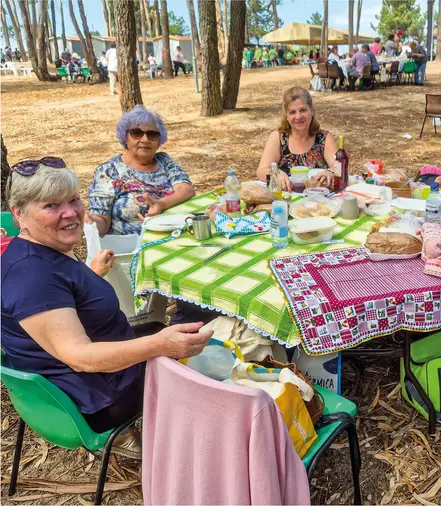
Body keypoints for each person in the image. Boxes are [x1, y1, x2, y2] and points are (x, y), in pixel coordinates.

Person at [2, 159, 214, 458]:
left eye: (74, 200)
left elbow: (62, 298)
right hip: (95, 396)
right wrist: (158, 346)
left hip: (86, 375)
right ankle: (188, 446)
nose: (71, 213)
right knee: (204, 363)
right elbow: (80, 358)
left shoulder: (40, 249)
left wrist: (91, 272)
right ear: (18, 213)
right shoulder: (32, 278)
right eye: (51, 206)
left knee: (162, 330)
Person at [88, 107, 194, 237]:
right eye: (136, 133)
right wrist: (89, 222)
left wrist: (161, 204)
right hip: (133, 248)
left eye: (152, 135)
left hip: (175, 237)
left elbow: (186, 189)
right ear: (125, 137)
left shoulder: (164, 161)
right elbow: (102, 221)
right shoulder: (109, 171)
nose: (145, 139)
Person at [256, 86, 338, 191]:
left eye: (303, 110)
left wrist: (330, 172)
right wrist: (275, 174)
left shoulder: (324, 138)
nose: (298, 116)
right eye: (292, 112)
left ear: (311, 111)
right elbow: (261, 170)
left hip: (318, 201)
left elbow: (338, 167)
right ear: (286, 115)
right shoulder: (278, 138)